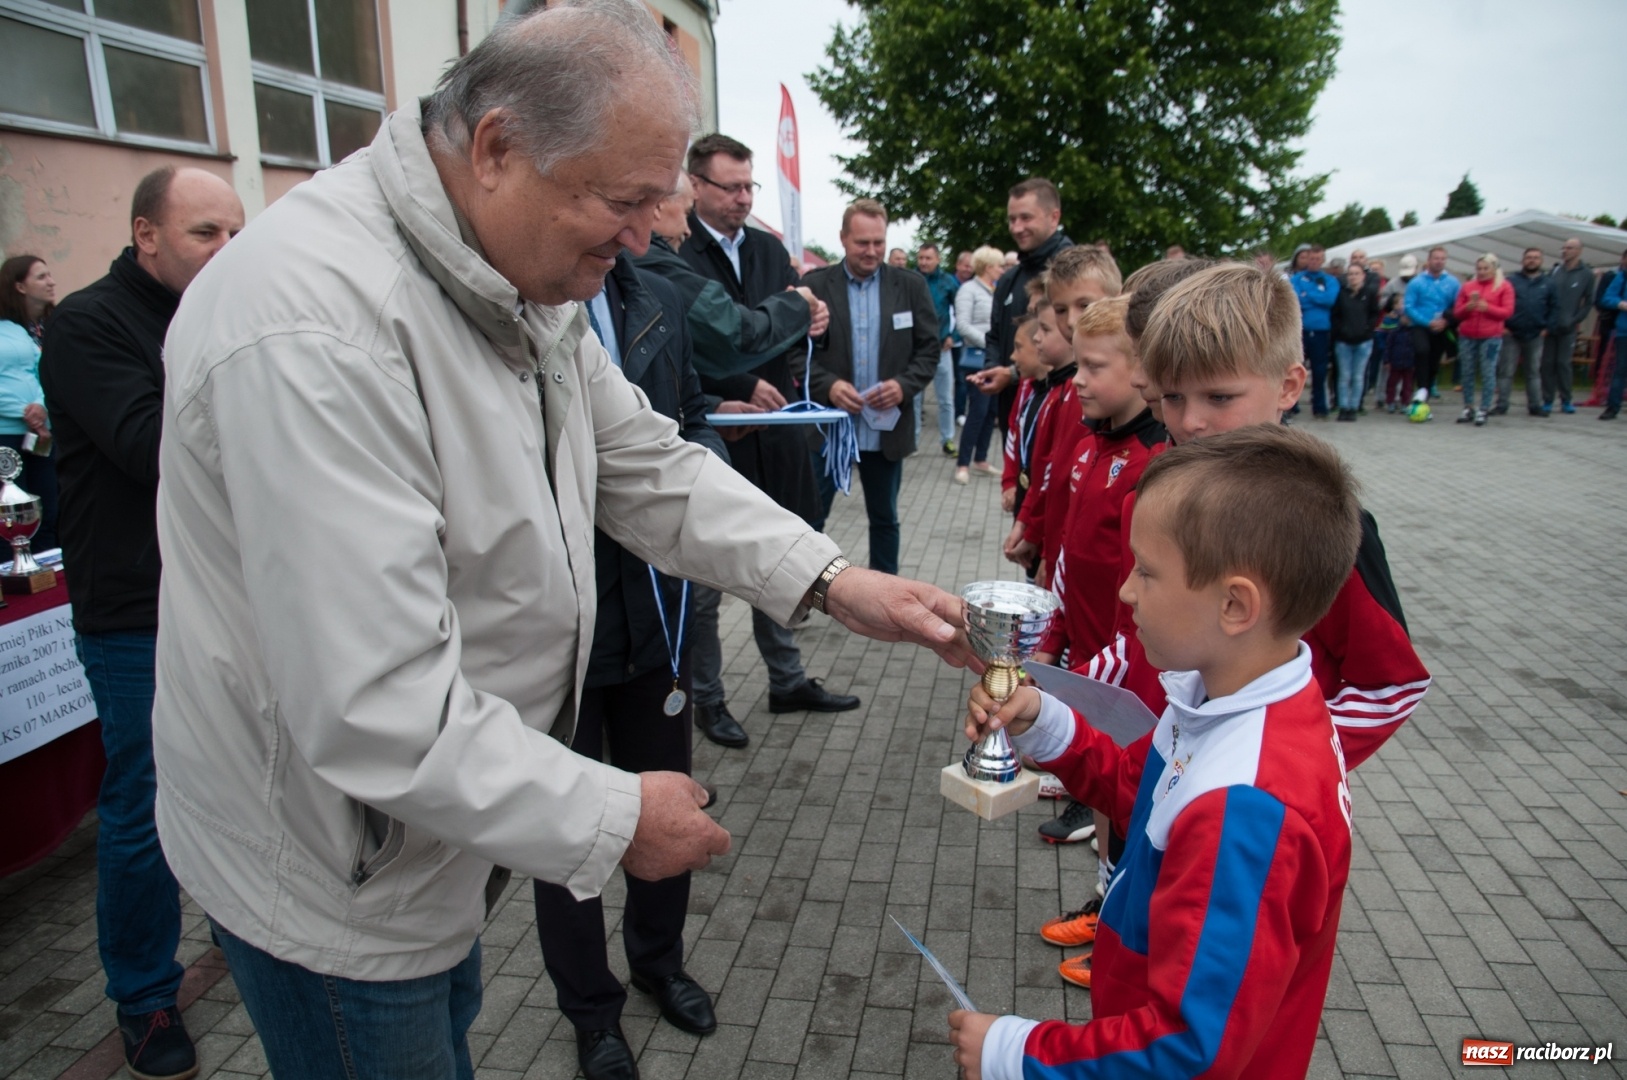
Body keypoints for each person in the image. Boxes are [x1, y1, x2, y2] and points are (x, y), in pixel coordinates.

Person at [149, 7, 973, 1078]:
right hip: (332, 874)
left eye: (657, 200)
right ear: (495, 147)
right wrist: (613, 810)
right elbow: (375, 703)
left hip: (429, 839)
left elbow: (639, 458)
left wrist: (827, 577)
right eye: (623, 201)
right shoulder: (314, 331)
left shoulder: (502, 263)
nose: (643, 239)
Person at [949, 424, 1363, 1080]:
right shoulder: (1230, 695)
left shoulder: (1247, 808)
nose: (1125, 593)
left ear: (1234, 605)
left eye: (1145, 571)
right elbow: (1141, 793)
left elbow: (1186, 1050)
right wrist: (1041, 721)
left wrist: (1017, 1054)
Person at [40, 165, 245, 1080]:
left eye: (239, 235)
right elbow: (148, 442)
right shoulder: (88, 322)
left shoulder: (225, 312)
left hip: (233, 598)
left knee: (244, 787)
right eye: (207, 234)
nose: (227, 254)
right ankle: (147, 999)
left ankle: (254, 942)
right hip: (137, 613)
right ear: (146, 235)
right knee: (145, 807)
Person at [533, 252, 724, 1080]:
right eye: (630, 199)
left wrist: (702, 453)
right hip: (555, 632)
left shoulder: (656, 301)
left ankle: (659, 961)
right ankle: (591, 1011)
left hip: (652, 613)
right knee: (565, 828)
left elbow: (686, 418)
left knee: (668, 805)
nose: (646, 224)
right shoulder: (523, 301)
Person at [679, 133, 861, 742]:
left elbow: (784, 331)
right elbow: (709, 339)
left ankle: (787, 679)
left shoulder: (766, 248)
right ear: (695, 186)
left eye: (749, 186)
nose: (741, 198)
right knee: (706, 582)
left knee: (781, 557)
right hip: (719, 428)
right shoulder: (674, 250)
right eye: (729, 187)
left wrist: (815, 322)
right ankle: (708, 698)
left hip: (779, 429)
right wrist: (741, 384)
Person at [803, 199, 940, 574]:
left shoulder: (909, 286)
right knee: (810, 522)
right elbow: (794, 355)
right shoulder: (814, 286)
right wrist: (828, 386)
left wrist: (904, 385)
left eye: (879, 242)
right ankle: (803, 594)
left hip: (886, 428)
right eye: (863, 242)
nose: (872, 251)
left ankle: (887, 600)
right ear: (843, 239)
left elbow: (929, 349)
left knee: (885, 520)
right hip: (829, 429)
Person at [1007, 246, 1123, 587]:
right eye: (1061, 309)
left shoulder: (1093, 391)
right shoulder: (1064, 387)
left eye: (1084, 305)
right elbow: (1054, 470)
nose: (1072, 321)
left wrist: (1050, 550)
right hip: (1060, 556)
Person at [965, 178, 1073, 433]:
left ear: (1053, 217)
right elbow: (994, 334)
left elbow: (1075, 345)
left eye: (1026, 218)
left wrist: (1012, 373)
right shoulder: (1009, 279)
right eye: (1012, 219)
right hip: (1012, 409)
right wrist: (992, 369)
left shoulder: (1072, 271)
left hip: (1058, 409)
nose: (1017, 227)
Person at [0, 255, 59, 547]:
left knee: (48, 508)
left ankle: (51, 582)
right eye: (41, 276)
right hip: (7, 433)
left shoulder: (27, 330)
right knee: (10, 518)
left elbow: (42, 372)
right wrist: (25, 411)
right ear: (19, 286)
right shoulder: (9, 328)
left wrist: (41, 406)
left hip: (38, 433)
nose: (51, 282)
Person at [953, 245, 1004, 483]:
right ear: (986, 266)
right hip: (977, 358)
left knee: (992, 410)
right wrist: (990, 343)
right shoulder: (968, 290)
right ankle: (962, 463)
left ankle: (981, 458)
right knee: (977, 411)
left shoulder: (996, 290)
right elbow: (962, 326)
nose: (1002, 270)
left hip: (995, 359)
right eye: (998, 266)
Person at [1452, 253, 1514, 426]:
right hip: (1468, 334)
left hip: (1491, 336)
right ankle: (1468, 406)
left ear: (1494, 269)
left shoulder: (1504, 286)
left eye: (1486, 268)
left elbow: (1507, 312)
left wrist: (1488, 308)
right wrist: (1467, 307)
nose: (1482, 272)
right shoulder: (1468, 286)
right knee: (1467, 371)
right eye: (1479, 268)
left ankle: (1484, 408)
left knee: (1488, 371)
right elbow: (1457, 312)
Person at [916, 242, 961, 455]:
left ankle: (947, 440)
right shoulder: (912, 280)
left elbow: (960, 311)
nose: (924, 262)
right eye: (921, 258)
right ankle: (912, 441)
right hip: (915, 349)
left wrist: (954, 335)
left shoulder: (948, 282)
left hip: (942, 348)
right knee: (914, 398)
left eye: (928, 258)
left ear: (938, 259)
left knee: (945, 399)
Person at [1500, 247, 1556, 417]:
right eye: (1529, 257)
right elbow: (1501, 303)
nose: (1532, 260)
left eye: (1536, 258)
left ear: (1541, 261)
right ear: (1523, 260)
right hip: (1511, 332)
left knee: (1533, 372)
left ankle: (1535, 405)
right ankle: (1502, 404)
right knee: (1505, 371)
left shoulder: (1549, 283)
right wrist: (1503, 326)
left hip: (1536, 333)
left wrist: (1547, 328)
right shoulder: (1511, 281)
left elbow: (1554, 308)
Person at [1404, 246, 1460, 401]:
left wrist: (1446, 321)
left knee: (1434, 361)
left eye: (1442, 259)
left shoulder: (1453, 282)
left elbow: (1458, 305)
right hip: (1420, 326)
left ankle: (1426, 390)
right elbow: (1409, 306)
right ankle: (1421, 387)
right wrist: (1427, 322)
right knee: (1422, 351)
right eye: (1436, 258)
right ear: (1429, 260)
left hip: (1442, 326)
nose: (1439, 262)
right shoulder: (1416, 282)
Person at [1290, 243, 1339, 418]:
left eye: (1318, 259)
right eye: (1311, 258)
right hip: (1300, 331)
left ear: (1323, 260)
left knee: (1319, 371)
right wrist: (1316, 297)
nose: (1314, 262)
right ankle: (1291, 405)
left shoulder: (1330, 280)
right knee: (1295, 368)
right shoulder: (1296, 279)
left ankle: (1319, 406)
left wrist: (1307, 294)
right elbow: (1295, 300)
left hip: (1321, 332)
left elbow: (1329, 300)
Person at [1544, 238, 1592, 413]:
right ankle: (1547, 399)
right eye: (1564, 248)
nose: (1565, 251)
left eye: (1570, 248)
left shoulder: (1586, 273)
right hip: (1551, 326)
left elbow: (1588, 302)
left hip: (1568, 327)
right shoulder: (1555, 271)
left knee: (1563, 364)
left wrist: (1575, 319)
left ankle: (1566, 400)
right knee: (1548, 364)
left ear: (1579, 251)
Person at [1330, 262, 1379, 421]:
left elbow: (1374, 315)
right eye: (1350, 274)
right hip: (1343, 341)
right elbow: (1335, 315)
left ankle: (1354, 407)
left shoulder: (1369, 293)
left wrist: (1367, 330)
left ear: (1363, 276)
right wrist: (1341, 330)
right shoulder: (1341, 293)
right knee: (1344, 375)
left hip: (1363, 341)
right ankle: (1343, 406)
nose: (1353, 277)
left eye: (1356, 273)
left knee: (1358, 376)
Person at [1, 254, 56, 344]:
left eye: (49, 276)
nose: (52, 282)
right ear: (21, 287)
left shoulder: (58, 320)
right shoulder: (6, 332)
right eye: (41, 277)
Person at [1599, 263, 1627, 421]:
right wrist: (1620, 303)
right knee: (1620, 371)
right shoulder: (1623, 276)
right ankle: (1613, 407)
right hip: (1625, 331)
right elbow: (1607, 297)